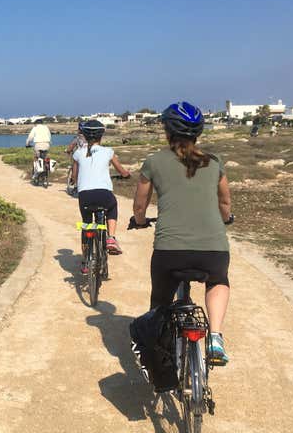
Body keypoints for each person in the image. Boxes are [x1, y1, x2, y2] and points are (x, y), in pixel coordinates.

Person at [132, 101, 234, 365]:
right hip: (213, 249)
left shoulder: (153, 162)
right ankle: (216, 337)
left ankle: (162, 351)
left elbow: (140, 204)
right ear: (197, 133)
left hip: (170, 251)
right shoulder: (214, 162)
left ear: (167, 131)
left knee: (160, 301)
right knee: (218, 280)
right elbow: (225, 203)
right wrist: (227, 219)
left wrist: (140, 221)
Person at [72, 120, 131, 263]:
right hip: (104, 194)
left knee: (86, 225)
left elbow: (74, 176)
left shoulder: (78, 153)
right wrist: (126, 174)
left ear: (84, 136)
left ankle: (86, 261)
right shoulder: (108, 152)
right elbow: (122, 171)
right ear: (101, 135)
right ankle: (111, 238)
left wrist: (75, 182)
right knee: (112, 206)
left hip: (85, 196)